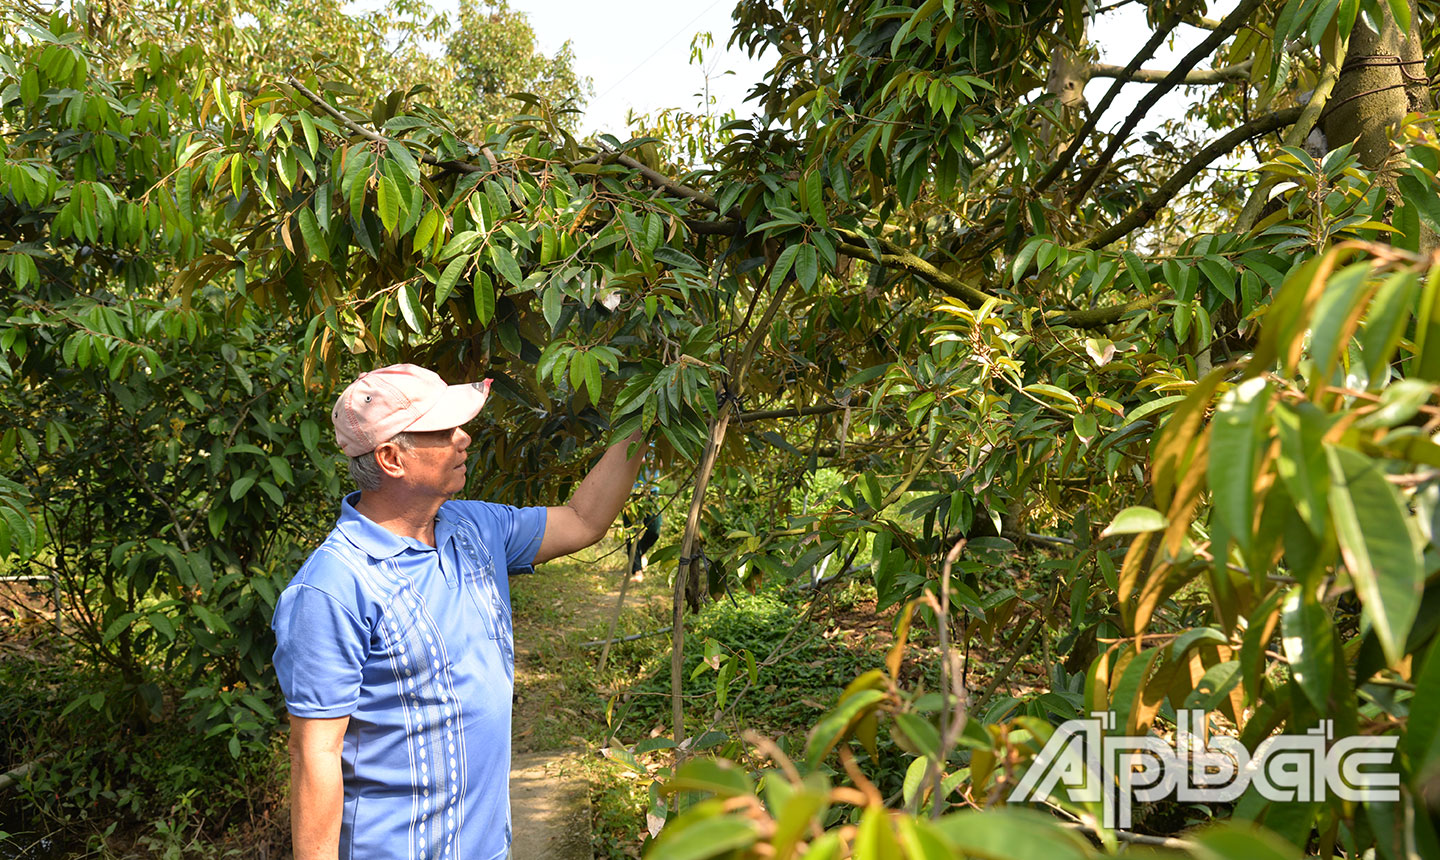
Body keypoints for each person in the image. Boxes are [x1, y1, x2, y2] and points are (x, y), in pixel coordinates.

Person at [271, 364, 644, 860]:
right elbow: (315, 754)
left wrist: (649, 414)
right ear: (390, 457)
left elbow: (582, 519)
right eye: (443, 431)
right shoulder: (333, 588)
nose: (463, 438)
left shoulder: (472, 527)